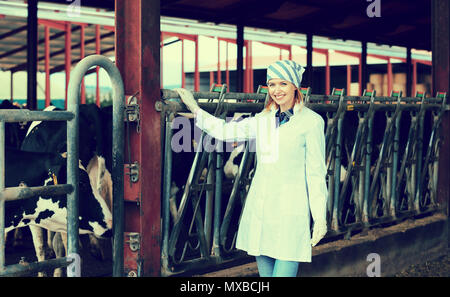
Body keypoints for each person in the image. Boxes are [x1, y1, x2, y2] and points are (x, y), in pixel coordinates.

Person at [175, 60, 328, 277]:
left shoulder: (312, 122)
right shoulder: (263, 119)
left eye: (283, 84)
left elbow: (315, 173)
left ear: (295, 86)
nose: (276, 90)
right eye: (272, 84)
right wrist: (194, 108)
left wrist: (320, 215)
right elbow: (225, 132)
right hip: (262, 209)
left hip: (291, 212)